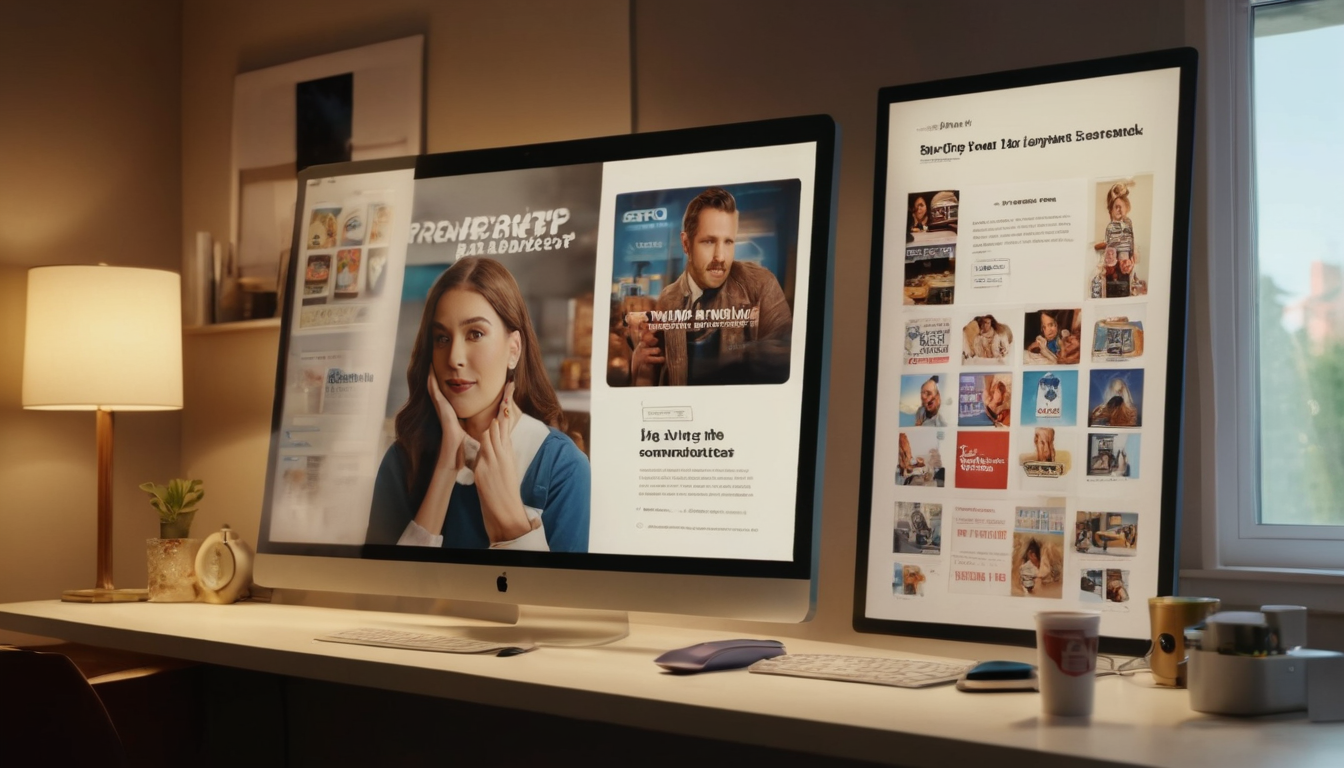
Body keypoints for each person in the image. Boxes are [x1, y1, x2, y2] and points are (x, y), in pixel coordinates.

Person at [366, 257, 590, 552]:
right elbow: (385, 596)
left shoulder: (562, 467)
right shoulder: (403, 460)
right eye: (442, 338)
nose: (454, 358)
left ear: (514, 350)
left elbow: (555, 600)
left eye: (475, 334)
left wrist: (512, 523)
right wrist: (446, 467)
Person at [629, 187, 792, 386]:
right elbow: (664, 377)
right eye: (709, 241)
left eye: (728, 242)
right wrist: (640, 367)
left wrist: (721, 365)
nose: (720, 257)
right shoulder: (668, 298)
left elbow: (786, 355)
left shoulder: (760, 283)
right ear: (686, 244)